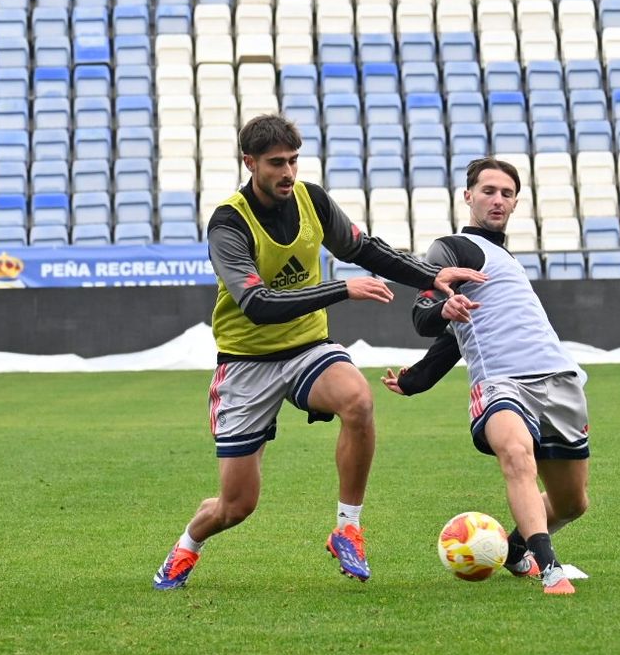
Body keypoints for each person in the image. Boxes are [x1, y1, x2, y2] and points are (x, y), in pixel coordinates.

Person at [153, 115, 484, 590]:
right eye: (275, 164)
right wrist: (340, 290)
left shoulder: (311, 198)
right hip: (246, 363)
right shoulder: (228, 223)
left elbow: (365, 249)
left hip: (309, 347)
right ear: (250, 163)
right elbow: (258, 304)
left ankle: (348, 526)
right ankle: (187, 545)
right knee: (236, 506)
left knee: (359, 400)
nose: (288, 173)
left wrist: (430, 276)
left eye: (293, 160)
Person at [380, 157, 590, 596]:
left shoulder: (505, 260)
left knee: (573, 502)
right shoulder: (451, 248)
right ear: (468, 195)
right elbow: (423, 317)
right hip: (502, 381)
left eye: (506, 193)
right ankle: (549, 568)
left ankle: (514, 550)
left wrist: (417, 378)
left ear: (515, 203)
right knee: (516, 454)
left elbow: (462, 332)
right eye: (488, 190)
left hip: (559, 378)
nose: (497, 199)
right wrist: (443, 307)